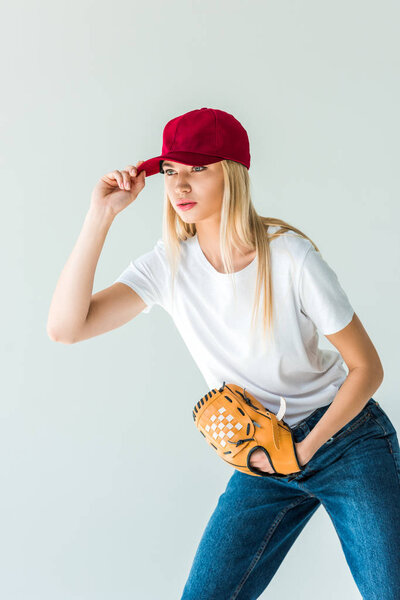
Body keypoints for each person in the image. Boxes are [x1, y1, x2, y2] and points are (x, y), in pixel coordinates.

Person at [47, 108, 400, 599]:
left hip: (346, 440)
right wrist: (100, 215)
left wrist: (305, 449)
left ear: (232, 174)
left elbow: (368, 369)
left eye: (198, 169)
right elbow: (66, 328)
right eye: (171, 171)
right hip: (264, 454)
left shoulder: (291, 258)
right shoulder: (169, 266)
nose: (180, 186)